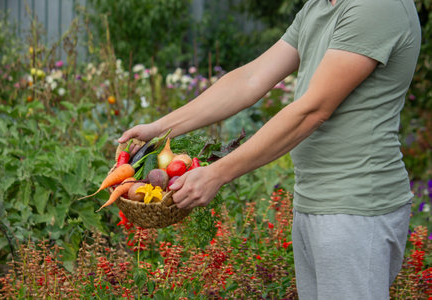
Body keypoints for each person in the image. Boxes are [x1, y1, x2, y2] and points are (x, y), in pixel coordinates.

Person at [118, 0, 421, 298]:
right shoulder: (319, 6)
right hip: (315, 201)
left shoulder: (376, 6)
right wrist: (160, 129)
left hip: (356, 209)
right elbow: (250, 80)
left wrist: (217, 173)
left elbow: (313, 110)